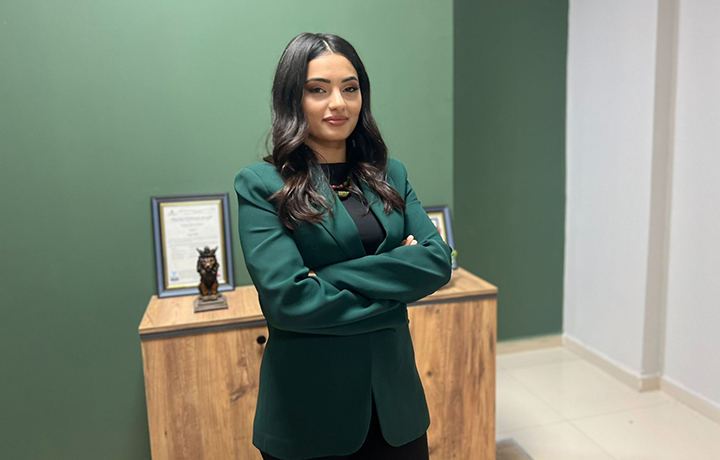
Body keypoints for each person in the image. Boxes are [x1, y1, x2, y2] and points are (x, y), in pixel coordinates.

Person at [234, 32, 453, 460]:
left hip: (396, 411)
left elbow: (436, 262)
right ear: (292, 99)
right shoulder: (262, 185)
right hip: (308, 415)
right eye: (318, 90)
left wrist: (326, 278)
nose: (338, 103)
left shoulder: (391, 174)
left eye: (350, 88)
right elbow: (288, 300)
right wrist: (395, 286)